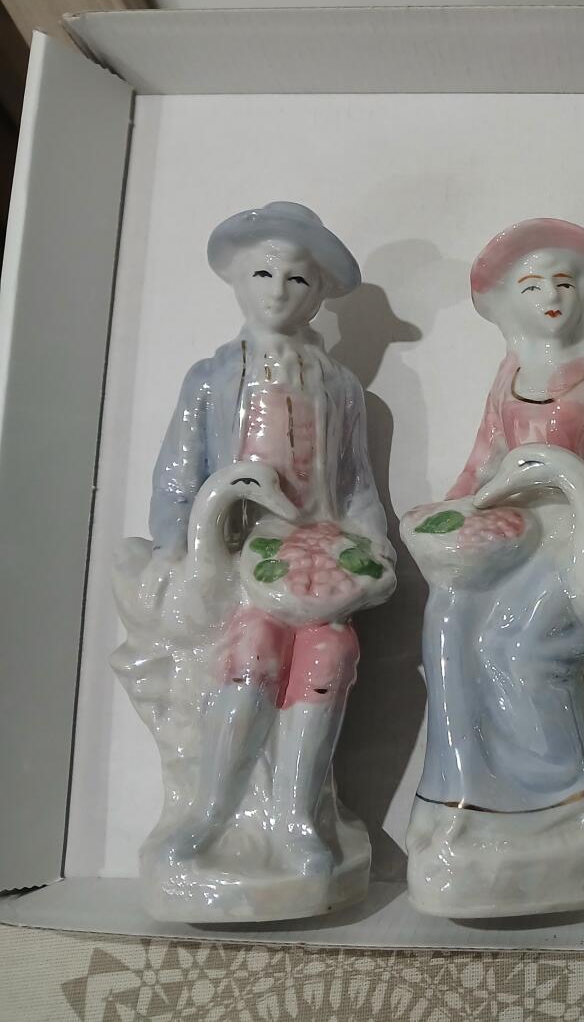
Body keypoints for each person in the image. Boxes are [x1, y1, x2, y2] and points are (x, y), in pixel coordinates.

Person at [152, 201, 391, 875]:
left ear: (318, 295)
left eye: (298, 279)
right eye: (263, 274)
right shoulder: (212, 378)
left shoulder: (340, 387)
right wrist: (179, 548)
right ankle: (213, 811)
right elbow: (177, 473)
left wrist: (372, 544)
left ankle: (297, 816)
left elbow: (355, 481)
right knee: (254, 652)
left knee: (331, 651)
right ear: (236, 280)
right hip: (239, 553)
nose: (279, 291)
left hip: (318, 551)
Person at [414, 218, 584, 817]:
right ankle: (462, 785)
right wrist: (446, 513)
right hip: (508, 537)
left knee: (519, 647)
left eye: (564, 283)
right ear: (509, 303)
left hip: (571, 541)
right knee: (445, 622)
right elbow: (481, 464)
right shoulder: (507, 381)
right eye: (532, 286)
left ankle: (562, 787)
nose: (551, 296)